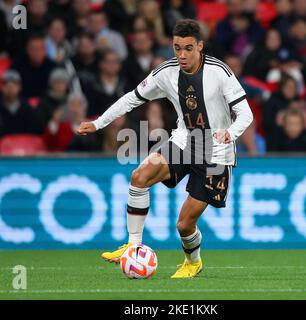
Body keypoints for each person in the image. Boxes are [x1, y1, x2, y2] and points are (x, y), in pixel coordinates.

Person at [78, 19, 253, 278]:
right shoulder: (166, 72)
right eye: (177, 48)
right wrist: (98, 123)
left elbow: (245, 113)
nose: (181, 55)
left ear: (200, 46)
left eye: (188, 48)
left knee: (184, 225)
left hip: (216, 151)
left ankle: (193, 262)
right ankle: (133, 245)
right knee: (139, 176)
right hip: (184, 141)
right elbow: (132, 97)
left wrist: (231, 133)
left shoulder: (220, 72)